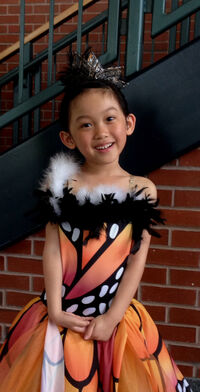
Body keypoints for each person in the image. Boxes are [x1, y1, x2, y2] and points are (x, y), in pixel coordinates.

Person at [0, 50, 192, 392]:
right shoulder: (64, 186)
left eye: (109, 119)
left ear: (128, 124)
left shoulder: (141, 190)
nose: (100, 132)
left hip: (116, 321)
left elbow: (136, 260)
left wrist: (112, 318)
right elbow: (54, 252)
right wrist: (56, 312)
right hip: (61, 317)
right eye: (85, 124)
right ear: (69, 138)